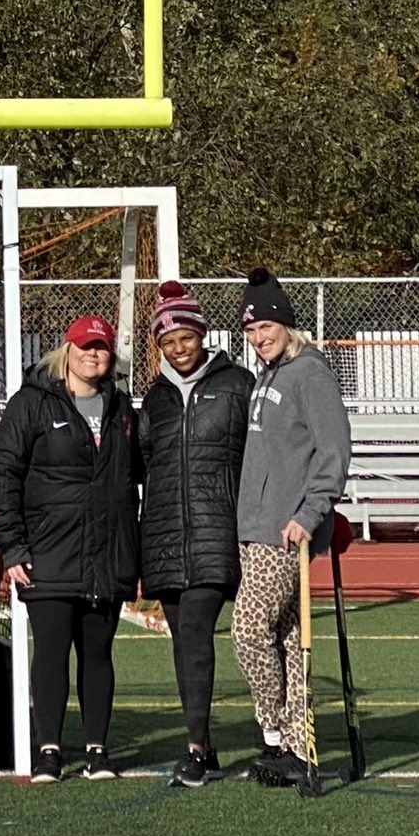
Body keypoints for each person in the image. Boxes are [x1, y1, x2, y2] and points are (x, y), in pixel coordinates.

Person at [0, 316, 139, 783]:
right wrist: (13, 547)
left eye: (102, 348)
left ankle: (97, 749)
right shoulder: (31, 403)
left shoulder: (123, 409)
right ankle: (49, 749)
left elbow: (135, 475)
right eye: (85, 347)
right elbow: (4, 476)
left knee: (98, 652)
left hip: (105, 553)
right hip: (49, 553)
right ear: (67, 350)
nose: (93, 355)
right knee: (51, 651)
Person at [230, 268, 353, 787]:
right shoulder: (268, 374)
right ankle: (298, 746)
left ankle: (278, 730)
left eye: (266, 328)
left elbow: (334, 451)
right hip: (252, 526)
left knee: (248, 630)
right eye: (251, 331)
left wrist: (309, 514)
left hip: (284, 530)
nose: (259, 339)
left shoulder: (309, 375)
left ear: (286, 325)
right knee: (282, 636)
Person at [135, 281, 252, 788]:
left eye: (186, 337)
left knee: (197, 635)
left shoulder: (237, 385)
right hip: (164, 534)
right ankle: (202, 742)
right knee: (184, 641)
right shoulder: (155, 400)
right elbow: (143, 463)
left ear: (202, 334)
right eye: (168, 341)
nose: (179, 348)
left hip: (215, 528)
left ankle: (198, 747)